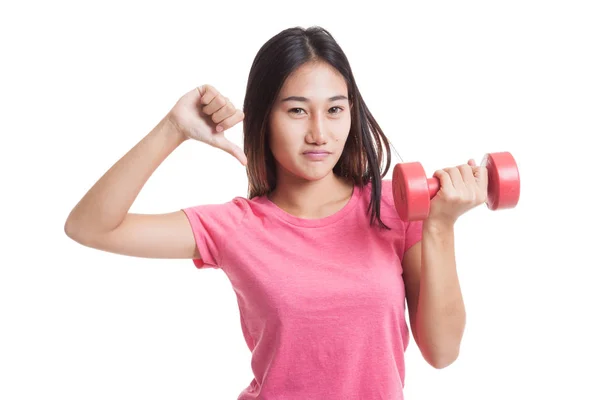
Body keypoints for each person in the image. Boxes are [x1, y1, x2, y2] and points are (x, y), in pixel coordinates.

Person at [64, 26, 488, 400]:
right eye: (297, 110)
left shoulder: (393, 210)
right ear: (264, 118)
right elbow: (89, 227)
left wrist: (441, 225)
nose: (319, 132)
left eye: (335, 109)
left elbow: (443, 352)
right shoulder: (235, 227)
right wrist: (174, 128)